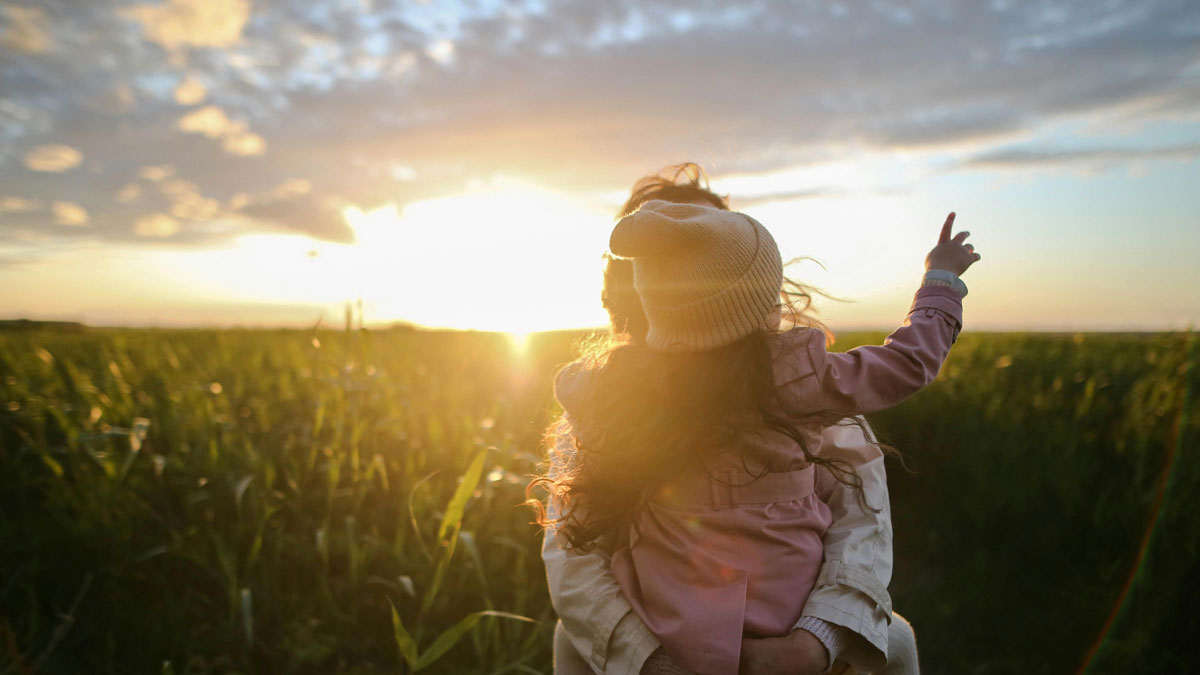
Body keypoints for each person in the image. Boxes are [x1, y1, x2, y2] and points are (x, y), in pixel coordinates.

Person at [535, 165, 977, 673]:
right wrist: (940, 283)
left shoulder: (608, 389)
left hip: (752, 632)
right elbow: (575, 561)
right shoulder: (800, 381)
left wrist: (816, 639)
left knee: (894, 641)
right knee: (573, 636)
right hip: (677, 640)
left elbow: (861, 518)